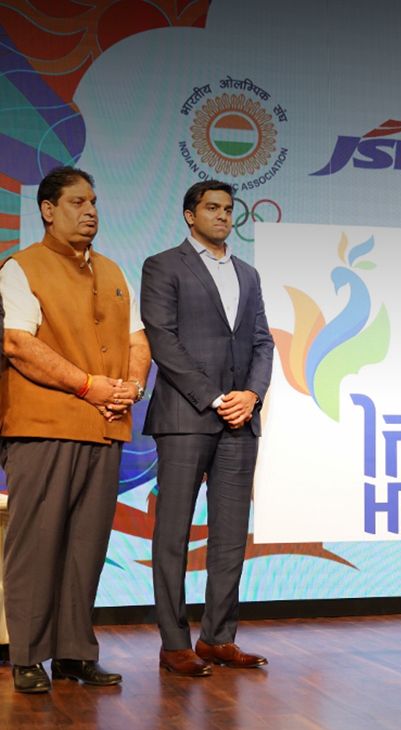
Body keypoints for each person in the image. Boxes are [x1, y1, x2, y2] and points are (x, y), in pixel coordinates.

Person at [0, 166, 150, 693]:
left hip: (106, 428)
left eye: (94, 203)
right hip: (44, 428)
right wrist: (90, 386)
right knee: (37, 543)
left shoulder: (112, 270)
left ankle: (73, 654)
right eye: (77, 202)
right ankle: (27, 655)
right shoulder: (22, 267)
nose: (90, 212)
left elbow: (137, 340)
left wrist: (131, 387)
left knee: (87, 546)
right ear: (48, 210)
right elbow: (18, 344)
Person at [141, 180, 274, 676]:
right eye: (212, 207)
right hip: (186, 417)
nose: (222, 215)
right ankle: (173, 642)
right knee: (173, 533)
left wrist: (251, 396)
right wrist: (215, 397)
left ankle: (218, 637)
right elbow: (163, 340)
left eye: (228, 208)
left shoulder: (248, 274)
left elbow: (262, 342)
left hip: (240, 419)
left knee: (230, 535)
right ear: (189, 215)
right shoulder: (163, 265)